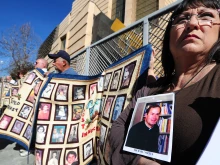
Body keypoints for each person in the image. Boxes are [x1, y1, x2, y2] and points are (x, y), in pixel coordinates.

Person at [109, 0, 220, 164]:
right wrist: (138, 161)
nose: (192, 23)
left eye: (206, 16)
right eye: (182, 19)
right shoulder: (150, 89)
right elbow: (118, 127)